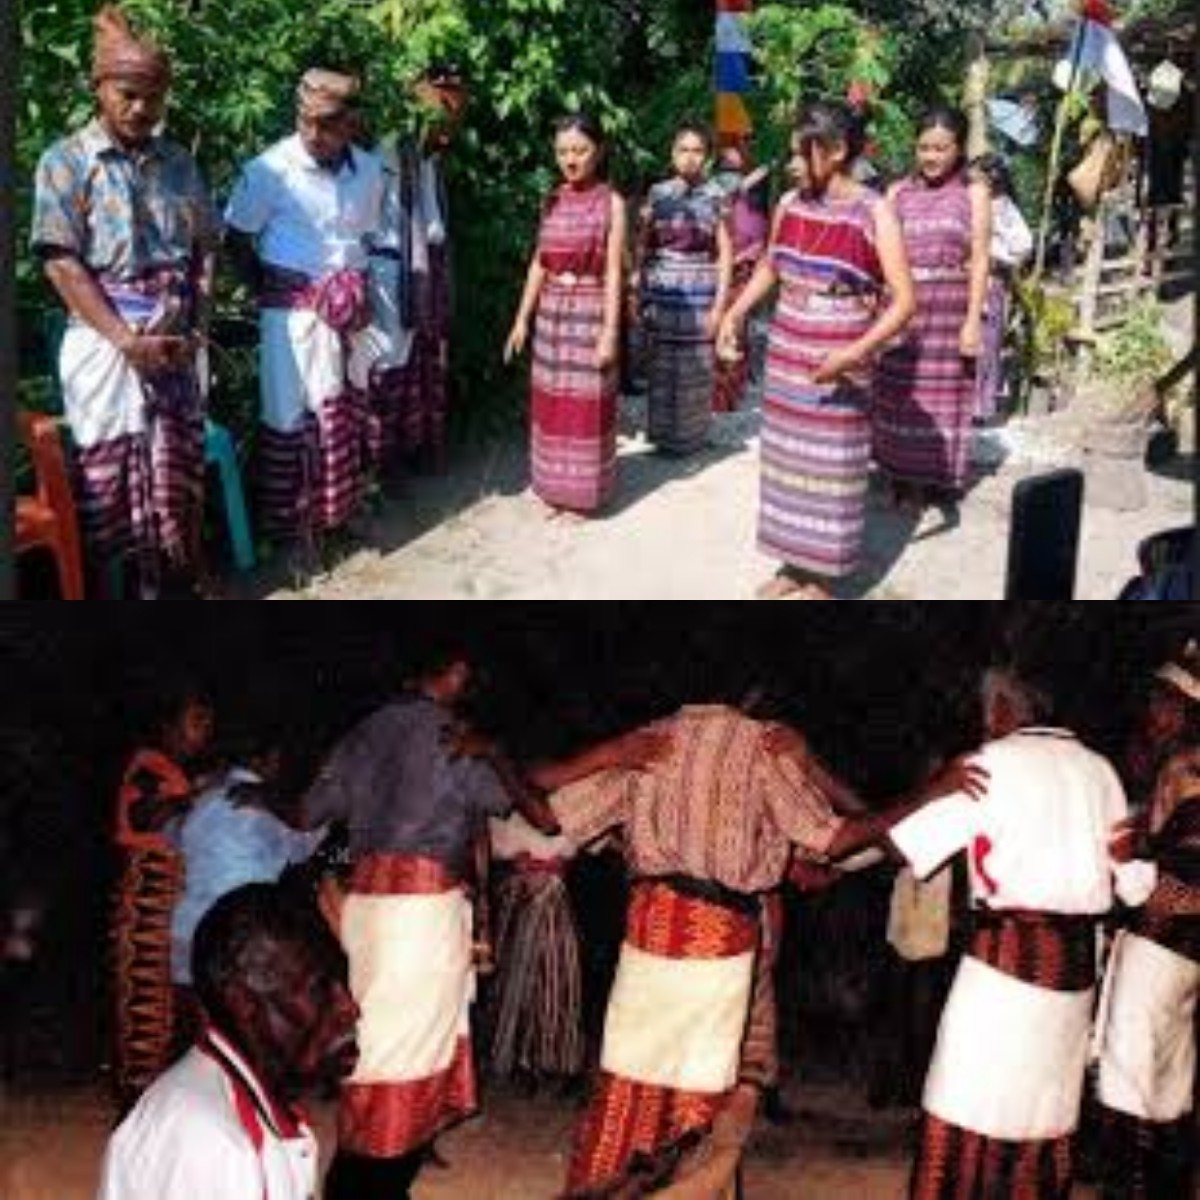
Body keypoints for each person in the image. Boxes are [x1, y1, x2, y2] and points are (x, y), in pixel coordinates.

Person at [540, 693, 977, 1198]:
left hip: (651, 929)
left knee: (629, 1076)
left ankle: (604, 1185)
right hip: (717, 939)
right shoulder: (763, 747)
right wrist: (929, 790)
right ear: (749, 696)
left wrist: (604, 754)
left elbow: (550, 812)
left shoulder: (647, 741)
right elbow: (837, 839)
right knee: (703, 1093)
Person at [302, 643, 561, 1200]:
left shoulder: (362, 732)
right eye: (467, 675)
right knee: (408, 1057)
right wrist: (493, 753)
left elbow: (308, 814)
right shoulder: (454, 736)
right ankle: (372, 1185)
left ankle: (360, 1177)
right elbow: (527, 810)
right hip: (421, 916)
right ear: (454, 673)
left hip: (367, 912)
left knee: (373, 1048)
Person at [890, 665, 1157, 1200]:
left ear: (1001, 710)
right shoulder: (1100, 770)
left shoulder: (991, 765)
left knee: (964, 1107)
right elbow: (1137, 887)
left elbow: (907, 847)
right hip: (1074, 978)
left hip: (1003, 968)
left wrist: (935, 785)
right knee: (1042, 1119)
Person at [30, 4, 220, 599]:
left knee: (178, 466)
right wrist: (125, 340)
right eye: (127, 94)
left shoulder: (179, 163)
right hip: (104, 345)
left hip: (174, 342)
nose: (141, 108)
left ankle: (177, 583)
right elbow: (60, 261)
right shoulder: (65, 162)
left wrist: (195, 321)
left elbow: (205, 249)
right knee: (108, 476)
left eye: (153, 97)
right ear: (99, 88)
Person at [718, 101, 916, 600]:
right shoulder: (789, 204)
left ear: (836, 151)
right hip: (788, 352)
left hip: (840, 359)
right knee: (788, 463)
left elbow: (904, 301)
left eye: (800, 154)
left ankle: (823, 576)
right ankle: (793, 563)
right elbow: (770, 266)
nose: (790, 164)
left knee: (832, 466)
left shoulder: (875, 211)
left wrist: (854, 355)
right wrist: (734, 313)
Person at [97, 882, 360, 1200]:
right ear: (245, 1005)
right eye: (319, 989)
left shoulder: (240, 1101)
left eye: (342, 982)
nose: (350, 1008)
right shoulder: (212, 1144)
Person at [224, 67, 385, 559]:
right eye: (306, 120)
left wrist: (352, 297)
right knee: (289, 418)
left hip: (350, 315)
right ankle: (293, 533)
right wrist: (273, 294)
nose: (314, 133)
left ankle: (340, 514)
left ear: (352, 122)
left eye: (329, 123)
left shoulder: (371, 172)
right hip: (291, 318)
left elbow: (363, 240)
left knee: (345, 411)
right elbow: (236, 239)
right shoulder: (270, 170)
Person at [166, 732, 328, 1046]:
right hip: (236, 934)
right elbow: (300, 848)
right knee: (245, 1030)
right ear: (266, 760)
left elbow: (174, 835)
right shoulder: (264, 801)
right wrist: (327, 813)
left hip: (184, 931)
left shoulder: (205, 798)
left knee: (194, 1029)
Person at [1093, 740, 1199, 1199]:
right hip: (1185, 957)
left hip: (1158, 951)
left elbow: (1163, 888)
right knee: (1172, 1091)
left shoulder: (1184, 769)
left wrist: (1130, 861)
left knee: (1129, 1090)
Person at [504, 114, 625, 516]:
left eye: (580, 150)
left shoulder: (612, 202)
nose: (570, 159)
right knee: (552, 400)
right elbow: (540, 261)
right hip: (552, 314)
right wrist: (522, 317)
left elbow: (612, 270)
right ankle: (553, 487)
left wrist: (610, 331)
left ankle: (584, 496)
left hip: (590, 311)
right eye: (562, 151)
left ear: (599, 150)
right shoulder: (551, 199)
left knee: (586, 404)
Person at [873, 107, 991, 512]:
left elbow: (980, 260)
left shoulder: (974, 193)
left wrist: (973, 321)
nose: (931, 157)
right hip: (902, 310)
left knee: (940, 401)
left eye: (941, 148)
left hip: (950, 311)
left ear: (958, 149)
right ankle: (899, 477)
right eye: (924, 147)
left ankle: (931, 482)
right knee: (899, 396)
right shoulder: (896, 193)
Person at [111, 684, 216, 1112]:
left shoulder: (169, 770)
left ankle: (145, 1110)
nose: (203, 733)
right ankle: (135, 1113)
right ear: (168, 725)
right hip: (145, 905)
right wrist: (193, 799)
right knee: (144, 1015)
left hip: (160, 908)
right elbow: (144, 814)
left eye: (208, 725)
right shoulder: (150, 766)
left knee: (158, 1013)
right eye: (195, 722)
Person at [368, 64, 468, 473]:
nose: (451, 120)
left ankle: (416, 453)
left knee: (426, 365)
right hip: (395, 275)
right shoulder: (390, 153)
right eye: (443, 108)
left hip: (427, 270)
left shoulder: (430, 157)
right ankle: (382, 467)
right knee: (390, 371)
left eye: (458, 110)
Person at [634, 120, 732, 455]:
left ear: (707, 156)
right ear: (672, 153)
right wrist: (637, 284)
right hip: (662, 288)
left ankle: (693, 437)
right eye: (683, 150)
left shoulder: (717, 194)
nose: (690, 158)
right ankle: (661, 437)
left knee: (696, 364)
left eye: (697, 151)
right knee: (660, 363)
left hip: (700, 288)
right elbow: (643, 243)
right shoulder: (658, 193)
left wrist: (720, 306)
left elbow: (725, 252)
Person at [485, 810, 585, 1089]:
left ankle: (556, 1060)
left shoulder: (570, 803)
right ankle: (520, 1058)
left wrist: (555, 866)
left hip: (554, 899)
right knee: (512, 979)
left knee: (557, 979)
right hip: (516, 897)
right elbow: (488, 850)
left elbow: (587, 844)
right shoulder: (504, 806)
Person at [970, 155, 1032, 423]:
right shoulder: (970, 203)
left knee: (986, 343)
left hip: (991, 281)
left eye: (976, 178)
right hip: (967, 279)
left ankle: (981, 407)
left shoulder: (1003, 207)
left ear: (991, 179)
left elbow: (1023, 245)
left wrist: (998, 257)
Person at [711, 143, 770, 413]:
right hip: (722, 270)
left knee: (733, 329)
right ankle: (723, 394)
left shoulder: (751, 197)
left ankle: (728, 394)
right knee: (728, 330)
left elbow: (760, 239)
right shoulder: (721, 193)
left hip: (741, 270)